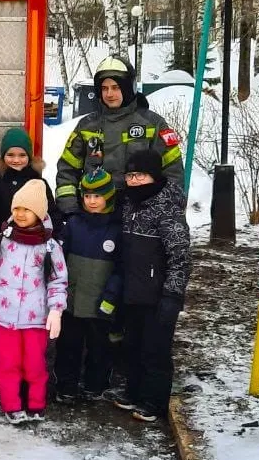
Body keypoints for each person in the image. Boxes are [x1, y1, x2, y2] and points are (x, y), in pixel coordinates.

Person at [100, 149, 191, 423]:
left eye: (140, 175)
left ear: (154, 175)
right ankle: (133, 391)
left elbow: (180, 256)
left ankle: (154, 401)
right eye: (130, 176)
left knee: (155, 350)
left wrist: (172, 295)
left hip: (158, 295)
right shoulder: (130, 204)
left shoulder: (167, 209)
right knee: (132, 345)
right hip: (133, 291)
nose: (134, 181)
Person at [0, 179, 68, 425]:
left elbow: (58, 281)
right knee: (6, 363)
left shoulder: (50, 246)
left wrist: (56, 310)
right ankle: (12, 405)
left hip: (35, 318)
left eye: (27, 209)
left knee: (34, 363)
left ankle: (36, 403)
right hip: (4, 317)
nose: (20, 214)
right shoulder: (2, 240)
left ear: (39, 212)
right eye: (16, 208)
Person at [54, 56, 184, 215]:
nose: (109, 94)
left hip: (141, 215)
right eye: (104, 88)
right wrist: (70, 211)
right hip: (95, 214)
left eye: (115, 87)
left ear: (129, 88)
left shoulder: (153, 124)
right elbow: (67, 170)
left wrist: (166, 211)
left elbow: (174, 171)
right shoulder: (87, 126)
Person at [54, 168, 121, 403]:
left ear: (109, 196)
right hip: (72, 300)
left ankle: (96, 384)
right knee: (68, 345)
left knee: (99, 347)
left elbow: (121, 269)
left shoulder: (117, 228)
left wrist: (111, 297)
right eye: (87, 196)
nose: (92, 201)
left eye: (97, 196)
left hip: (100, 302)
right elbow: (59, 259)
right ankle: (66, 386)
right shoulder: (74, 224)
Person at [0, 127, 63, 243]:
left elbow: (52, 213)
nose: (16, 160)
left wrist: (58, 238)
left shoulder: (38, 182)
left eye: (22, 155)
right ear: (3, 156)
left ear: (29, 157)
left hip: (31, 243)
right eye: (10, 155)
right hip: (2, 241)